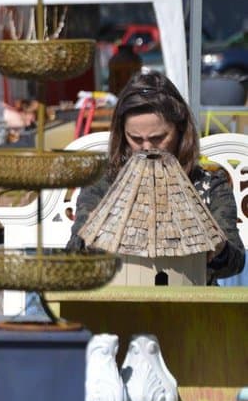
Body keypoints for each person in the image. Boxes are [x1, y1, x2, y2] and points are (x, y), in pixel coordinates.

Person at [68, 71, 245, 284]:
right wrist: (89, 238)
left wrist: (218, 248)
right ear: (122, 135)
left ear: (180, 130)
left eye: (158, 138)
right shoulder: (104, 184)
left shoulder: (208, 186)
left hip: (193, 298)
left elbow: (236, 262)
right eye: (135, 138)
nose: (147, 147)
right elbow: (75, 251)